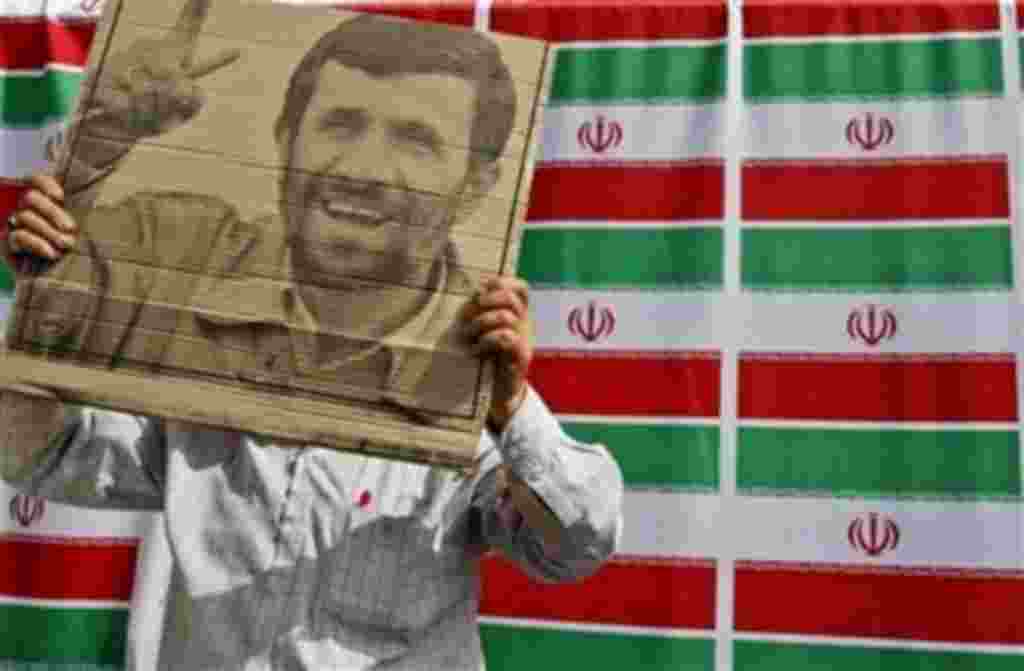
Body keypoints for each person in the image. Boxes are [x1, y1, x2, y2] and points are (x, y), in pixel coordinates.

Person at [0, 4, 624, 670]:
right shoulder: (192, 314)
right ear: (285, 139)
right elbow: (40, 451)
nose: (364, 169)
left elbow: (576, 543)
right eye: (340, 124)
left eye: (416, 140)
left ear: (476, 187)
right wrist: (52, 275)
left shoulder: (472, 388)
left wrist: (513, 409)